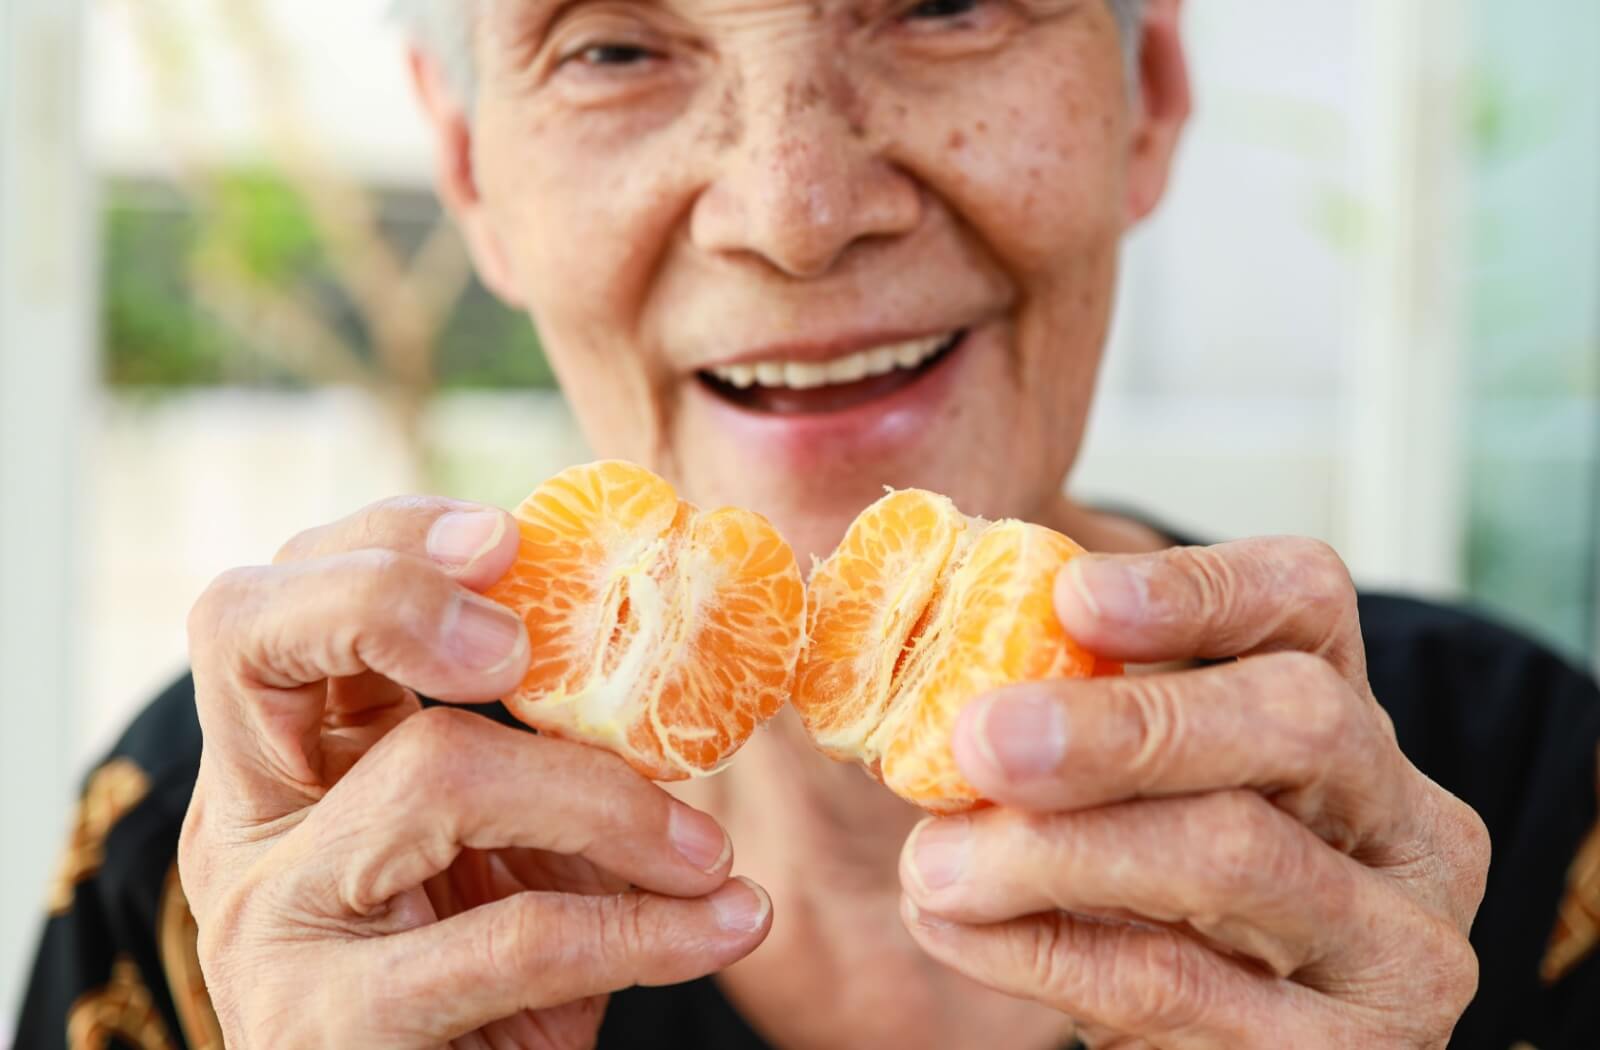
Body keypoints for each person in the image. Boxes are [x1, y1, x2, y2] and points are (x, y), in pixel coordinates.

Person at [16, 0, 1600, 1046]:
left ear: (1149, 92)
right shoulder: (241, 854)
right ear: (472, 174)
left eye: (942, 0)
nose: (793, 208)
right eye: (613, 47)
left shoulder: (1527, 792)